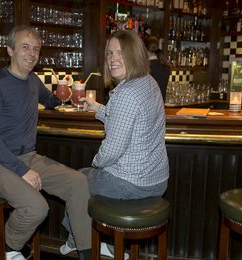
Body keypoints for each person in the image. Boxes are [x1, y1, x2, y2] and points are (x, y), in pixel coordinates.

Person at [0, 25, 92, 260]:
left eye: (36, 49)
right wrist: (22, 170)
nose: (31, 54)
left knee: (79, 183)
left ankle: (86, 252)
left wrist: (63, 97)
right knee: (37, 207)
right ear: (10, 50)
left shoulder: (33, 80)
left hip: (28, 157)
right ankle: (6, 245)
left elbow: (48, 99)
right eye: (25, 47)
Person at [60, 29, 169, 258]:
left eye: (119, 52)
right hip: (157, 180)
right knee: (85, 179)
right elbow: (126, 119)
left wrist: (96, 163)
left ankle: (76, 240)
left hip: (131, 183)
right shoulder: (148, 83)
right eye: (109, 53)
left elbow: (112, 150)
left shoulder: (126, 93)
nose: (112, 59)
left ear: (135, 54)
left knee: (76, 181)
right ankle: (108, 245)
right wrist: (98, 108)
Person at [144, 35, 171, 101]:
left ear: (144, 50)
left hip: (149, 108)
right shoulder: (165, 66)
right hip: (160, 106)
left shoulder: (144, 68)